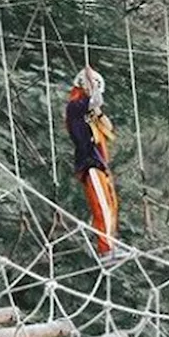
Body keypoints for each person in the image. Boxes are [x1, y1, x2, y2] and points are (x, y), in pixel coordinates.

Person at [65, 65, 121, 259]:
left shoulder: (91, 113)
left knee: (111, 204)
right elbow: (94, 100)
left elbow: (108, 127)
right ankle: (106, 250)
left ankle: (110, 244)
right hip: (89, 163)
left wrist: (98, 112)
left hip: (98, 164)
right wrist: (89, 78)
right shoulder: (76, 105)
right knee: (101, 206)